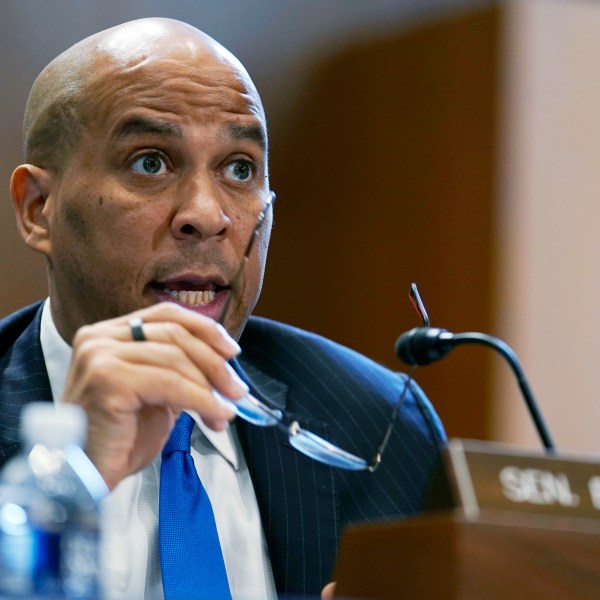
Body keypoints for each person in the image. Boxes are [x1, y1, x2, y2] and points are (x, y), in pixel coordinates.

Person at [0, 17, 446, 600]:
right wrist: (68, 482)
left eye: (239, 169)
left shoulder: (379, 424)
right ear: (39, 209)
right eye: (150, 162)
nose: (208, 215)